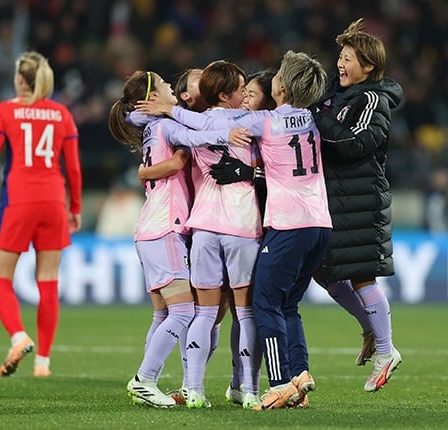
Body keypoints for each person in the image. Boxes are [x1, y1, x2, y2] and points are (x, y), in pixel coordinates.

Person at [138, 51, 331, 410]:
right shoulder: (261, 120)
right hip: (244, 225)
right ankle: (249, 389)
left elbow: (189, 129)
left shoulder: (193, 124)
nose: (247, 92)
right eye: (242, 87)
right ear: (226, 94)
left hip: (204, 224)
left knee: (204, 313)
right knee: (248, 312)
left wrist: (166, 108)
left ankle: (193, 389)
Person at [108, 70, 248, 408]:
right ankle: (145, 379)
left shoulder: (151, 126)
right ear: (155, 97)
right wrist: (229, 132)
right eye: (167, 86)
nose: (172, 87)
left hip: (152, 228)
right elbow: (200, 138)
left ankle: (160, 381)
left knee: (163, 315)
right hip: (165, 227)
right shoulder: (166, 125)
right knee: (184, 311)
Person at [313, 18, 403, 392]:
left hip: (361, 198)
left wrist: (317, 118)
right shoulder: (337, 96)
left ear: (368, 67)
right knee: (324, 272)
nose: (340, 63)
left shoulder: (370, 99)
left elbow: (351, 143)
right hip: (337, 199)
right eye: (340, 56)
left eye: (349, 58)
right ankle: (370, 326)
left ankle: (385, 350)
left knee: (361, 273)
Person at [0, 51, 82, 377]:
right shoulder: (62, 114)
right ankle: (43, 363)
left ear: (20, 79)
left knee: (2, 278)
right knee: (48, 282)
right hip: (53, 200)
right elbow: (73, 168)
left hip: (19, 200)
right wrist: (74, 207)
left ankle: (18, 336)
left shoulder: (6, 111)